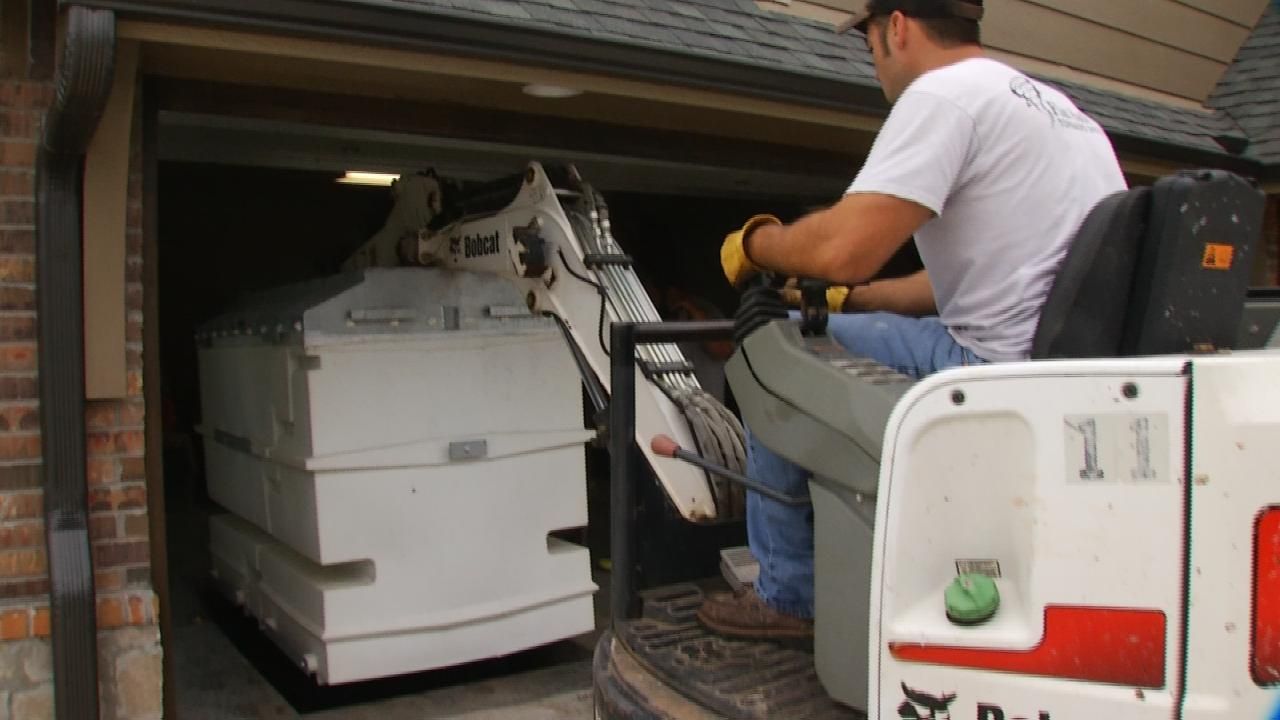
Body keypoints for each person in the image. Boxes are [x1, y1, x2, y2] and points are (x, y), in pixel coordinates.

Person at [696, 0, 1127, 640]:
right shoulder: (1059, 111)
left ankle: (787, 593)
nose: (874, 61)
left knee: (768, 354)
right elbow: (979, 278)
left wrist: (757, 244)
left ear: (896, 26)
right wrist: (854, 301)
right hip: (1057, 365)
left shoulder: (943, 97)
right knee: (818, 333)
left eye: (869, 41)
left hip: (988, 370)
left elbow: (842, 248)